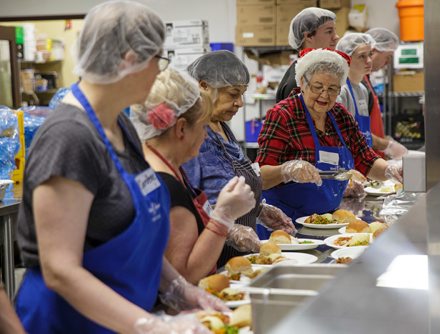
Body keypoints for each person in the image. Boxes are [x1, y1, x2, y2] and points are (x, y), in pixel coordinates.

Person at [15, 2, 223, 333]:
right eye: (158, 58)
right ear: (130, 60)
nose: (159, 71)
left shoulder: (121, 126)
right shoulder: (69, 138)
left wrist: (180, 289)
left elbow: (139, 239)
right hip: (70, 323)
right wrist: (148, 326)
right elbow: (60, 269)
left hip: (121, 318)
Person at [131, 67, 257, 284]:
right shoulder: (166, 186)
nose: (205, 135)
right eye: (203, 127)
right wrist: (223, 217)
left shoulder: (154, 164)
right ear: (181, 129)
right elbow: (184, 276)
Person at [256, 49, 402, 222]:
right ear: (302, 82)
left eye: (333, 89)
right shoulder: (283, 115)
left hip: (327, 221)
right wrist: (286, 171)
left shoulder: (339, 115)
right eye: (318, 87)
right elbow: (262, 177)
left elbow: (366, 160)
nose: (325, 95)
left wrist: (390, 170)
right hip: (284, 222)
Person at [182, 51, 296, 262]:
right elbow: (191, 202)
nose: (240, 103)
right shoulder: (192, 137)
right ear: (203, 86)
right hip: (214, 256)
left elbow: (234, 181)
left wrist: (260, 210)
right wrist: (229, 229)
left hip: (242, 253)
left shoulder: (223, 127)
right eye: (233, 94)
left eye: (242, 94)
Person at [276, 7, 340, 102]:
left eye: (334, 31)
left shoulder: (313, 73)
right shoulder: (297, 83)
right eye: (329, 31)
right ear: (308, 36)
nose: (336, 37)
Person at [364, 27, 407, 159]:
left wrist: (385, 139)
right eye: (387, 57)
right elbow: (355, 130)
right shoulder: (358, 85)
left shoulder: (366, 80)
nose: (387, 63)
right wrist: (386, 145)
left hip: (374, 158)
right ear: (373, 51)